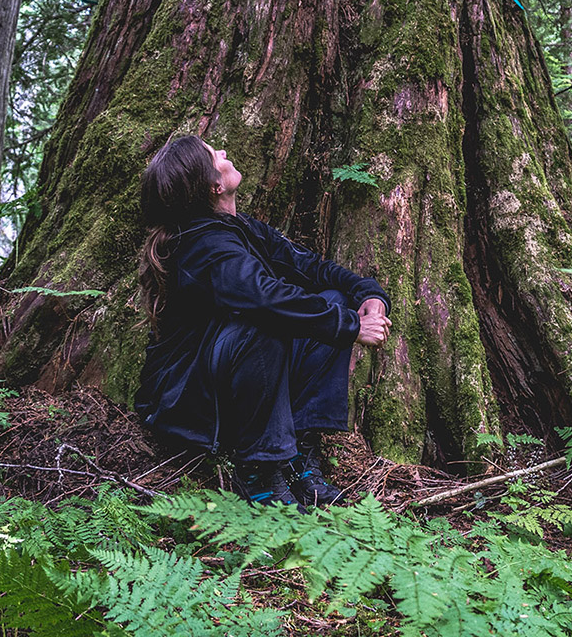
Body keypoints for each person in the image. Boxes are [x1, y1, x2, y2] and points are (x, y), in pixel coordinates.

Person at [134, 135, 391, 509]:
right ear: (214, 185)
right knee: (265, 323)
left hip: (224, 376)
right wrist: (351, 326)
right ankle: (259, 470)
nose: (223, 150)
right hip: (185, 398)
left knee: (331, 302)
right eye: (213, 154)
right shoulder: (203, 247)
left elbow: (309, 267)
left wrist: (367, 295)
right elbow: (265, 298)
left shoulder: (240, 229)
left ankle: (297, 457)